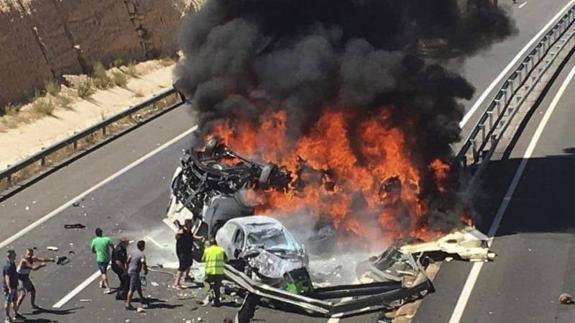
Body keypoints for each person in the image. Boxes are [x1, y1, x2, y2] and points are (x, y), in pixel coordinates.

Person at [173, 219, 199, 289]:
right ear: (187, 224)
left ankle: (186, 277)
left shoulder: (189, 230)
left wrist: (199, 238)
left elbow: (192, 236)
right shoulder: (182, 231)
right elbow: (176, 237)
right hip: (181, 251)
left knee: (190, 262)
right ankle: (176, 283)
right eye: (190, 224)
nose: (191, 225)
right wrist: (178, 233)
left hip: (188, 250)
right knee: (182, 266)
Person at [202, 238, 226, 307]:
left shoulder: (207, 250)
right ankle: (217, 301)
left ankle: (210, 294)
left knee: (206, 281)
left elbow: (202, 259)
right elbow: (226, 259)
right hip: (219, 271)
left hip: (209, 271)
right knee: (217, 285)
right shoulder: (221, 250)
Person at [125, 240, 148, 310]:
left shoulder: (133, 252)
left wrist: (126, 269)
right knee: (132, 289)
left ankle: (141, 298)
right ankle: (128, 304)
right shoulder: (142, 255)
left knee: (138, 285)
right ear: (143, 247)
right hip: (134, 272)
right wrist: (146, 270)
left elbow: (128, 261)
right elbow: (143, 263)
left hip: (130, 270)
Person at [90, 228, 114, 294]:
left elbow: (92, 250)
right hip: (107, 258)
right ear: (101, 233)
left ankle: (107, 288)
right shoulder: (107, 239)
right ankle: (102, 282)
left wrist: (97, 252)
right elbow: (112, 247)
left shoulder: (94, 241)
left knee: (103, 273)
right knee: (103, 270)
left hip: (100, 259)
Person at [3, 250, 18, 323]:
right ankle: (7, 317)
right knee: (8, 301)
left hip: (14, 286)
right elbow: (7, 278)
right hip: (10, 287)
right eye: (14, 254)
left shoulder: (12, 263)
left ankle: (16, 314)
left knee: (14, 300)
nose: (15, 255)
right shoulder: (8, 266)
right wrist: (9, 288)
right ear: (11, 256)